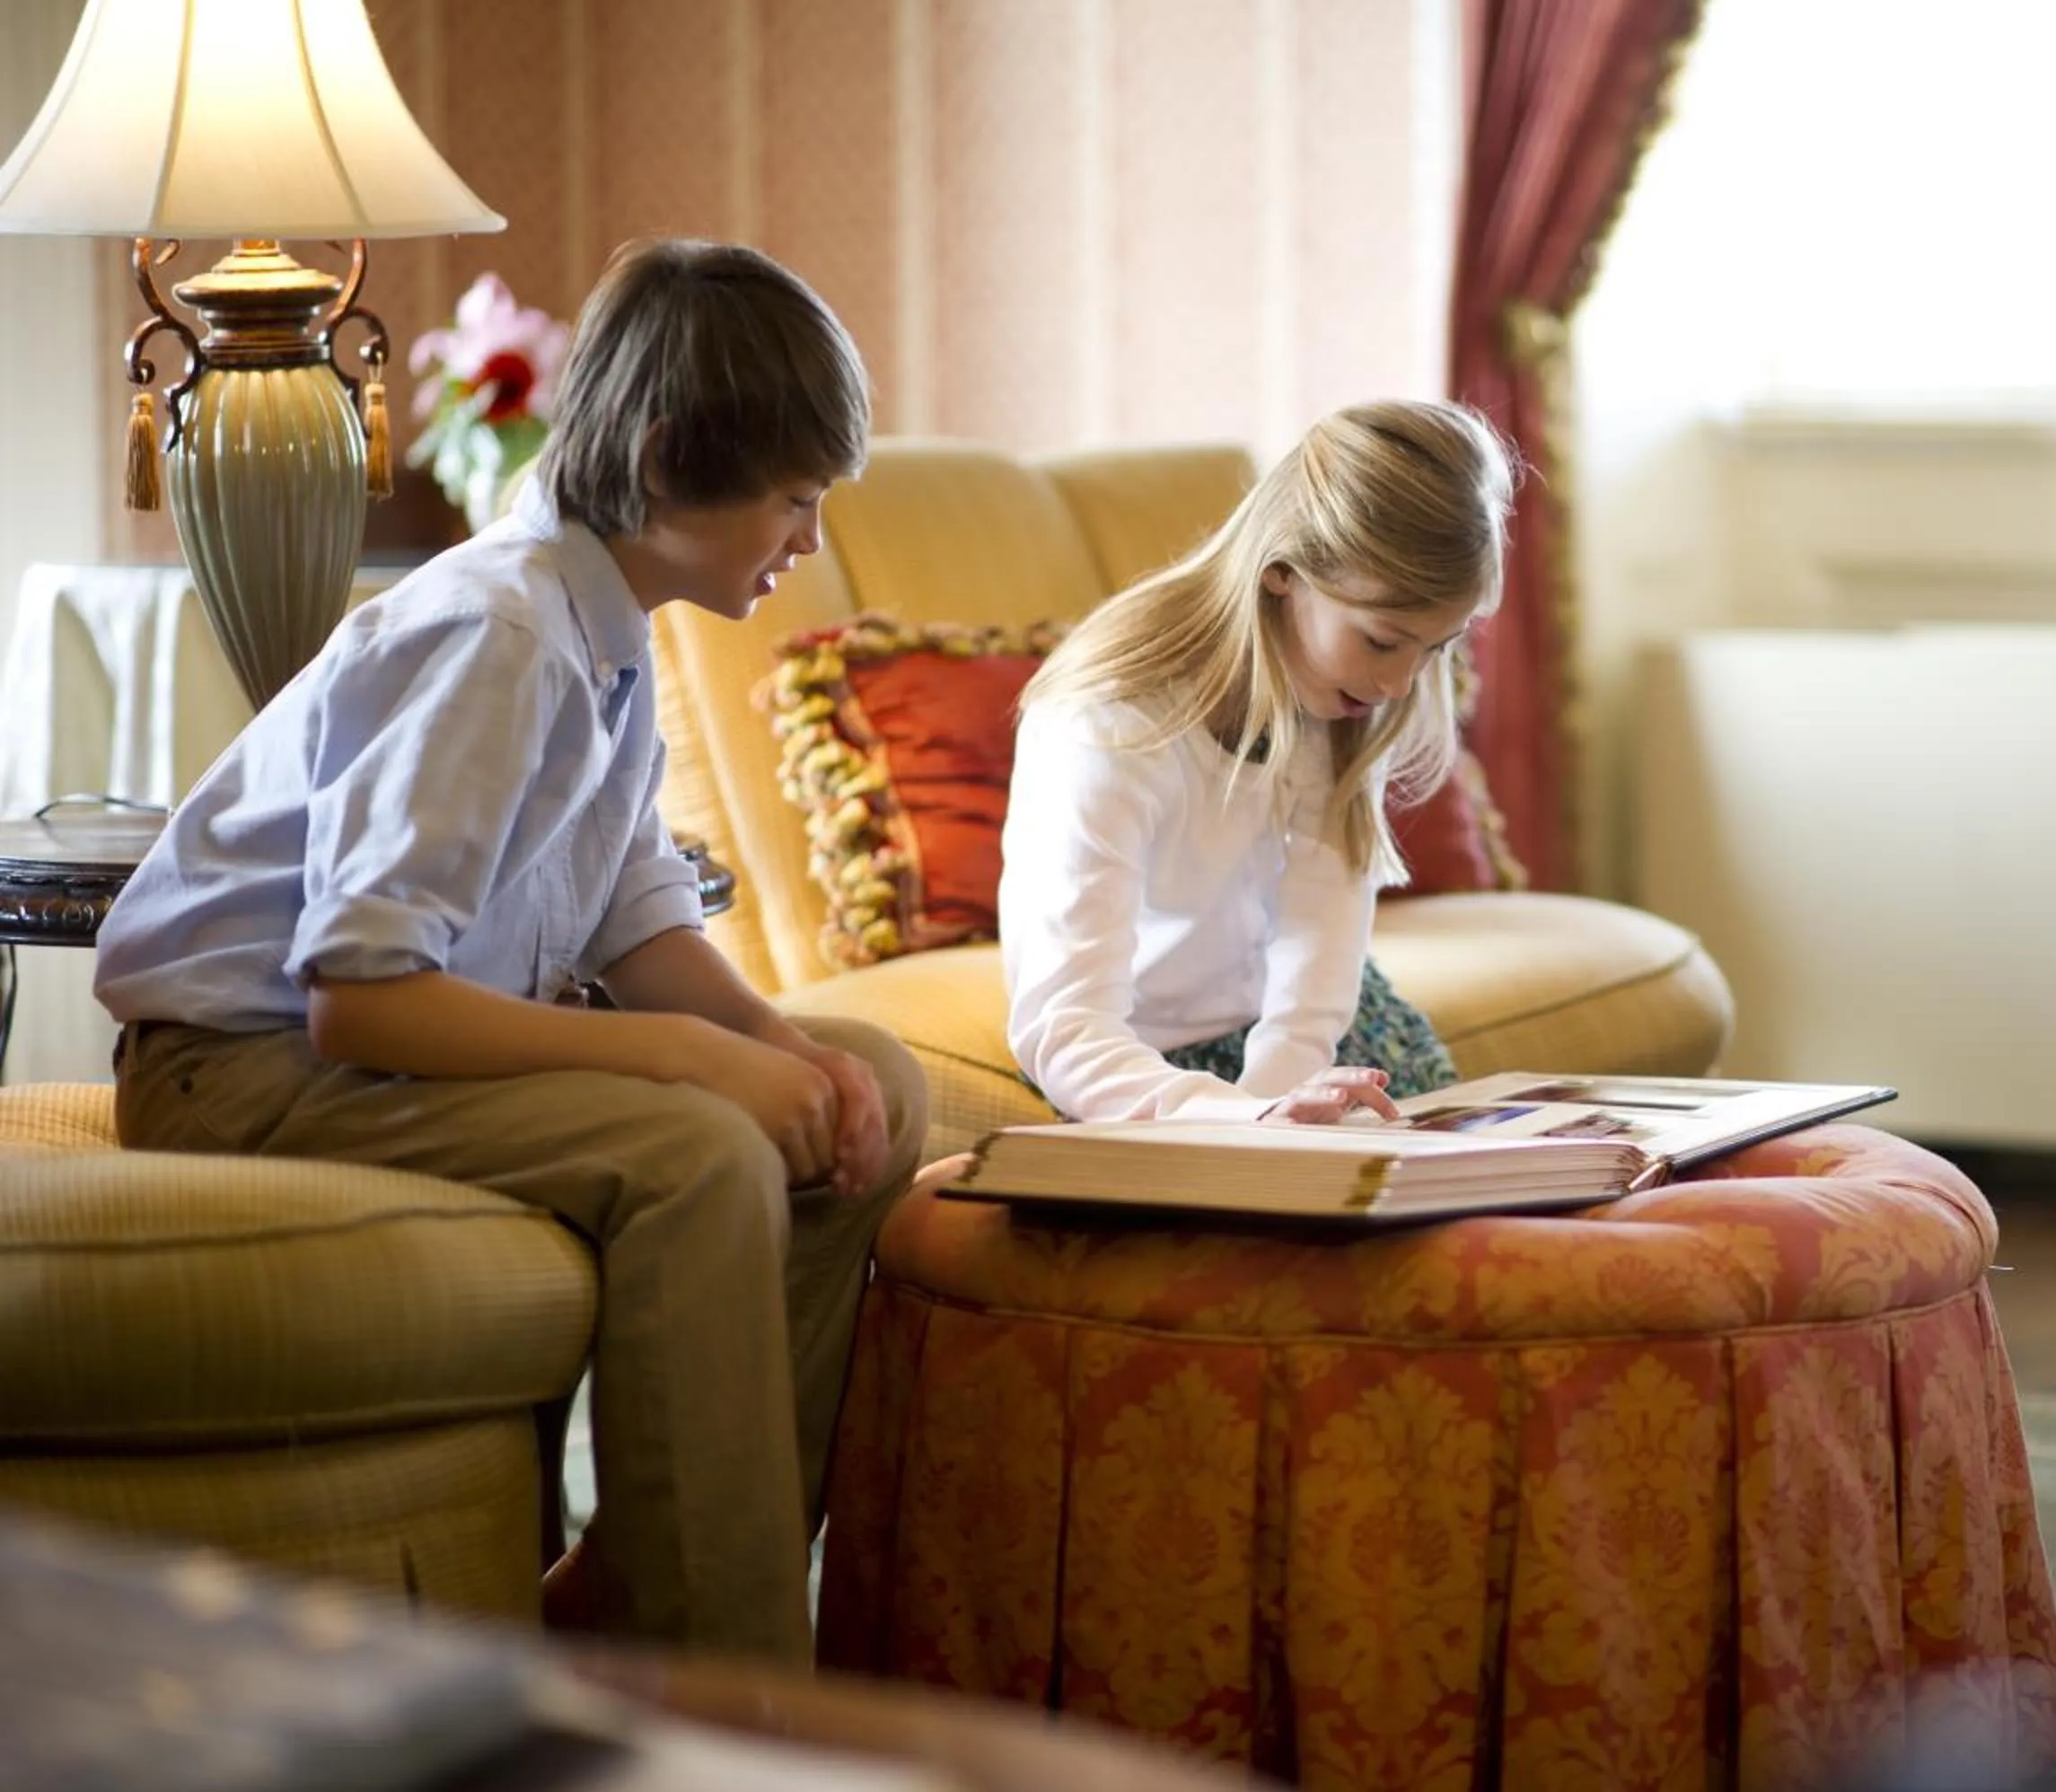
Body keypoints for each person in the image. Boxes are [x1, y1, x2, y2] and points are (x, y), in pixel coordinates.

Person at [92, 238, 927, 1668]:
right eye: (794, 500)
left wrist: (774, 1050)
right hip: (240, 1069)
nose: (808, 540)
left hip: (372, 1047)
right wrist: (677, 1060)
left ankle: (648, 1583)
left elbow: (630, 912)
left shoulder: (607, 630)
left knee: (873, 1085)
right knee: (700, 1149)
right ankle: (720, 1679)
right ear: (668, 466)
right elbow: (357, 999)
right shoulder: (498, 631)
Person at [999, 398, 1516, 1126]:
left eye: (1437, 648)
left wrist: (1282, 1098)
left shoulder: (1346, 705)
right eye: (1382, 640)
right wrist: (1250, 1127)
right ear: (1282, 572)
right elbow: (1065, 1025)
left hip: (1311, 1033)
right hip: (1141, 1064)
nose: (1402, 684)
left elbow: (1317, 967)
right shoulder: (1110, 721)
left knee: (1480, 1188)